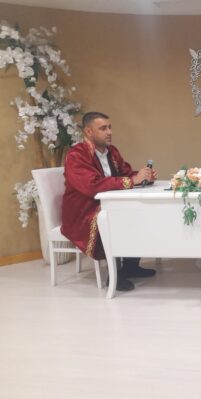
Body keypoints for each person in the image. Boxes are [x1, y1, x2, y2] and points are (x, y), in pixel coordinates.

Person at [61, 112, 158, 292]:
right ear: (88, 131)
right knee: (119, 219)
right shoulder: (77, 155)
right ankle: (115, 275)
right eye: (103, 128)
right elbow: (91, 186)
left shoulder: (112, 152)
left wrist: (143, 176)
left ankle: (130, 266)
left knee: (137, 212)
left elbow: (126, 173)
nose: (109, 132)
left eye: (110, 127)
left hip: (107, 205)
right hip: (83, 211)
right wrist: (132, 180)